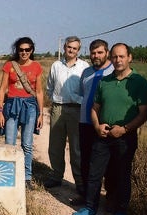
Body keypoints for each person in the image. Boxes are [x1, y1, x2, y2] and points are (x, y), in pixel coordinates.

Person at [71, 43, 147, 215]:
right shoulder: (104, 81)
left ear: (129, 57)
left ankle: (121, 211)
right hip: (103, 135)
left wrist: (124, 129)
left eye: (121, 56)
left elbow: (143, 113)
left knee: (122, 174)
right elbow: (94, 108)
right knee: (94, 172)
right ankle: (90, 207)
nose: (118, 60)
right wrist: (97, 126)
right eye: (114, 57)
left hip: (125, 136)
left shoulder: (138, 81)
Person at [0, 37, 44, 190]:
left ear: (32, 51)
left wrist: (41, 113)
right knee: (9, 143)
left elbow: (39, 91)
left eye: (27, 50)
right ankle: (9, 175)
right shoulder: (9, 65)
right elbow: (2, 89)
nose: (24, 52)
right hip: (11, 105)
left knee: (27, 144)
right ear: (17, 50)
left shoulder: (36, 66)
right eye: (21, 49)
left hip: (29, 107)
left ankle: (26, 177)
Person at [45, 36, 89, 191]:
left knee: (76, 148)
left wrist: (79, 101)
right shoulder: (56, 65)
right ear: (64, 47)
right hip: (58, 108)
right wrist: (54, 100)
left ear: (78, 50)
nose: (71, 50)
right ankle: (56, 176)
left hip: (76, 110)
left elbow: (88, 89)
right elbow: (49, 87)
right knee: (55, 145)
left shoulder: (84, 66)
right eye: (69, 47)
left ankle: (80, 182)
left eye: (75, 48)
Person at [77, 39, 115, 206]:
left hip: (104, 124)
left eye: (100, 52)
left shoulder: (114, 71)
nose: (96, 56)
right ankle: (87, 196)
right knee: (85, 161)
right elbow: (83, 93)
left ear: (106, 52)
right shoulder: (86, 72)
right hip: (85, 122)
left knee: (108, 165)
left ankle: (110, 199)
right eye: (93, 53)